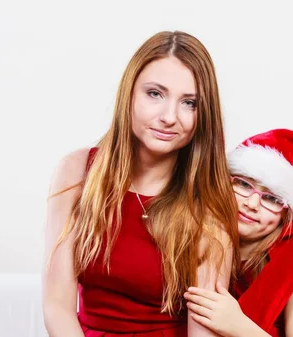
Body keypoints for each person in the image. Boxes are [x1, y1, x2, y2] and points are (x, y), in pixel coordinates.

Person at [41, 30, 239, 337]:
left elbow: (204, 329)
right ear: (129, 93)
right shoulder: (77, 171)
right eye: (155, 94)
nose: (169, 117)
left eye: (189, 103)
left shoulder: (209, 201)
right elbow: (57, 306)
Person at [184, 128, 293, 337]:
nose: (252, 204)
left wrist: (237, 326)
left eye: (272, 199)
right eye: (244, 185)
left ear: (288, 215)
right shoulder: (199, 236)